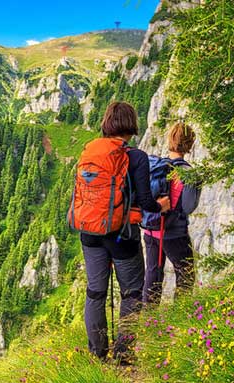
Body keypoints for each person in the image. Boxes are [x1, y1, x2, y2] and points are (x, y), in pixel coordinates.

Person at [77, 102, 171, 363]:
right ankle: (124, 353)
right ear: (131, 124)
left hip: (90, 232)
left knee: (95, 291)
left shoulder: (91, 151)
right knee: (130, 292)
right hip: (122, 235)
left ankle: (97, 352)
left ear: (107, 122)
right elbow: (145, 200)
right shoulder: (136, 157)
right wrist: (160, 206)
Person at [143, 122, 201, 305]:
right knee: (186, 275)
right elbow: (188, 207)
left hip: (151, 230)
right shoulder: (188, 173)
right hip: (174, 233)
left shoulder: (156, 166)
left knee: (152, 277)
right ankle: (179, 321)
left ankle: (147, 323)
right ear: (190, 145)